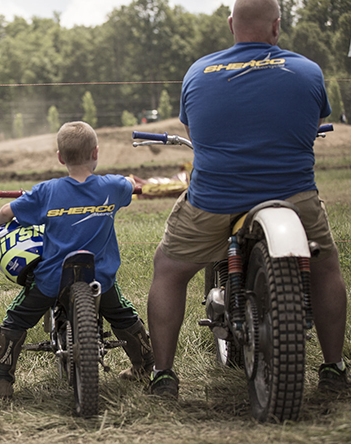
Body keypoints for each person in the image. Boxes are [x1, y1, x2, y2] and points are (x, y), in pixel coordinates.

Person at [146, 0, 348, 399]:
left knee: (169, 269)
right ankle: (333, 368)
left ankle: (163, 375)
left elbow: (193, 126)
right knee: (326, 269)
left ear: (230, 25)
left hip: (216, 199)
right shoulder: (308, 70)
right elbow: (312, 122)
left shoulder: (198, 71)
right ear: (277, 26)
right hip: (293, 196)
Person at [0, 121, 154, 398]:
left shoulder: (46, 191)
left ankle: (2, 380)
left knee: (15, 320)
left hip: (52, 280)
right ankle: (145, 365)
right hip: (100, 278)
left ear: (60, 157)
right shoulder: (112, 187)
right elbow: (130, 183)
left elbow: (6, 212)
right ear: (96, 153)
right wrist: (129, 180)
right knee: (123, 315)